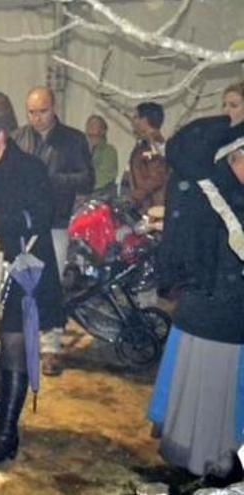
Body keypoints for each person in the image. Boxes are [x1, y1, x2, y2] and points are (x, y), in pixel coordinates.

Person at [0, 106, 65, 464]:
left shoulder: (29, 168)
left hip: (24, 268)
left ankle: (8, 430)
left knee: (15, 344)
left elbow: (40, 216)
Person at [147, 126, 244, 484]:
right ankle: (188, 464)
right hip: (205, 309)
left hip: (227, 316)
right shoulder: (212, 193)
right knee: (194, 393)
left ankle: (212, 467)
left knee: (217, 398)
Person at [14, 86, 93, 377]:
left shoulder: (73, 139)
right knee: (24, 283)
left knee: (51, 284)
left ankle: (51, 347)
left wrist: (51, 179)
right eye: (32, 112)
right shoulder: (19, 137)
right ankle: (25, 341)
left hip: (57, 221)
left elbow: (87, 179)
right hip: (25, 223)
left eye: (42, 111)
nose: (37, 118)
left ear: (54, 107)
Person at [128, 101, 168, 213]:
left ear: (144, 120)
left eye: (136, 117)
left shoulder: (152, 143)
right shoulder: (147, 143)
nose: (132, 121)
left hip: (153, 208)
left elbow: (157, 176)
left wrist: (135, 196)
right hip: (149, 206)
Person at [85, 114, 119, 193]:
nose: (91, 126)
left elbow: (104, 176)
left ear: (103, 130)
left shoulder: (109, 151)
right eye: (89, 124)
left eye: (94, 124)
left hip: (100, 195)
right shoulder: (79, 148)